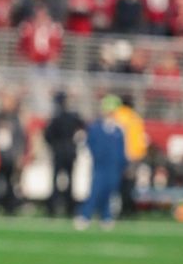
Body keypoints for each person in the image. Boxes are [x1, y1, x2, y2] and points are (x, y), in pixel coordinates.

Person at [77, 95, 127, 230]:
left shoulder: (118, 130)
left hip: (114, 166)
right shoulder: (96, 127)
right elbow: (90, 144)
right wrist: (97, 157)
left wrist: (122, 164)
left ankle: (106, 217)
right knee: (95, 190)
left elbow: (122, 149)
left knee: (110, 192)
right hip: (100, 165)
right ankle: (85, 215)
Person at [43, 92, 85, 217]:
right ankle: (69, 208)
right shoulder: (73, 117)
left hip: (59, 152)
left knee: (56, 181)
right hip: (70, 152)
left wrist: (54, 146)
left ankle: (53, 208)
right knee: (70, 181)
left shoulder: (56, 118)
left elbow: (48, 135)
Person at [0, 93, 26, 216]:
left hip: (9, 156)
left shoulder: (15, 119)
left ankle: (9, 209)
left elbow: (20, 138)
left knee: (10, 184)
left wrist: (19, 155)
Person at [113, 96, 148, 217]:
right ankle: (131, 208)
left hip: (125, 155)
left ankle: (125, 208)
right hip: (136, 155)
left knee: (123, 184)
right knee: (131, 183)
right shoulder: (136, 117)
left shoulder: (119, 116)